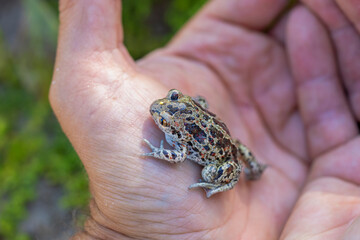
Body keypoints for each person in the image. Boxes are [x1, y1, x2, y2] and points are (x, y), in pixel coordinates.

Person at [50, 0, 360, 239]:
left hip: (220, 154)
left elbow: (179, 154)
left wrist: (159, 153)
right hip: (226, 139)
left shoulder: (183, 136)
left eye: (168, 113)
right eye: (168, 106)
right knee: (235, 146)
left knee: (218, 167)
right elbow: (198, 106)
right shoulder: (189, 108)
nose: (159, 109)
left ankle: (241, 173)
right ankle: (256, 167)